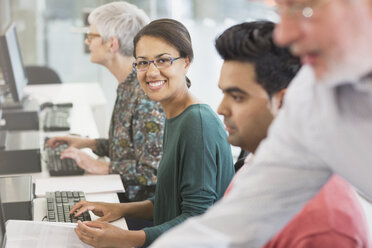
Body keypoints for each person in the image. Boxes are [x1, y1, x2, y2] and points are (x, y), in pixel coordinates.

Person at [150, 0, 372, 245]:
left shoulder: (326, 221)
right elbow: (231, 224)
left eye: (305, 8)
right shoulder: (314, 95)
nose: (285, 35)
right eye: (279, 11)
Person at [70, 18, 235, 248]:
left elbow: (196, 219)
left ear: (186, 62)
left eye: (163, 60)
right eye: (143, 63)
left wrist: (126, 239)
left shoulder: (196, 123)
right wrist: (117, 209)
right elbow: (169, 202)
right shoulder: (175, 113)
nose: (152, 72)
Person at [221, 21, 367, 247]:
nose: (221, 108)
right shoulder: (254, 167)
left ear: (284, 102)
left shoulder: (322, 222)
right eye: (224, 94)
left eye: (237, 96)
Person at [46, 2, 165, 202]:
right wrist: (88, 143)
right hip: (122, 194)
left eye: (92, 36)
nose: (87, 42)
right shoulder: (128, 84)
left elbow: (153, 171)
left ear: (112, 44)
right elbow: (129, 147)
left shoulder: (145, 95)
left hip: (138, 207)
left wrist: (100, 166)